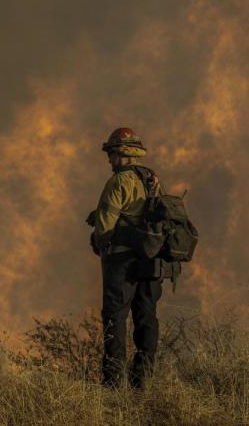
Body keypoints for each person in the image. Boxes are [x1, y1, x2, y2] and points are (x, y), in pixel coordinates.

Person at [86, 127, 162, 388]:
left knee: (115, 318)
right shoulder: (151, 178)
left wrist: (98, 242)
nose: (109, 160)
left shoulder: (119, 181)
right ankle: (142, 382)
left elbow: (105, 226)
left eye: (111, 154)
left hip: (122, 263)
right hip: (151, 261)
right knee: (146, 317)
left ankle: (113, 384)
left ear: (121, 153)